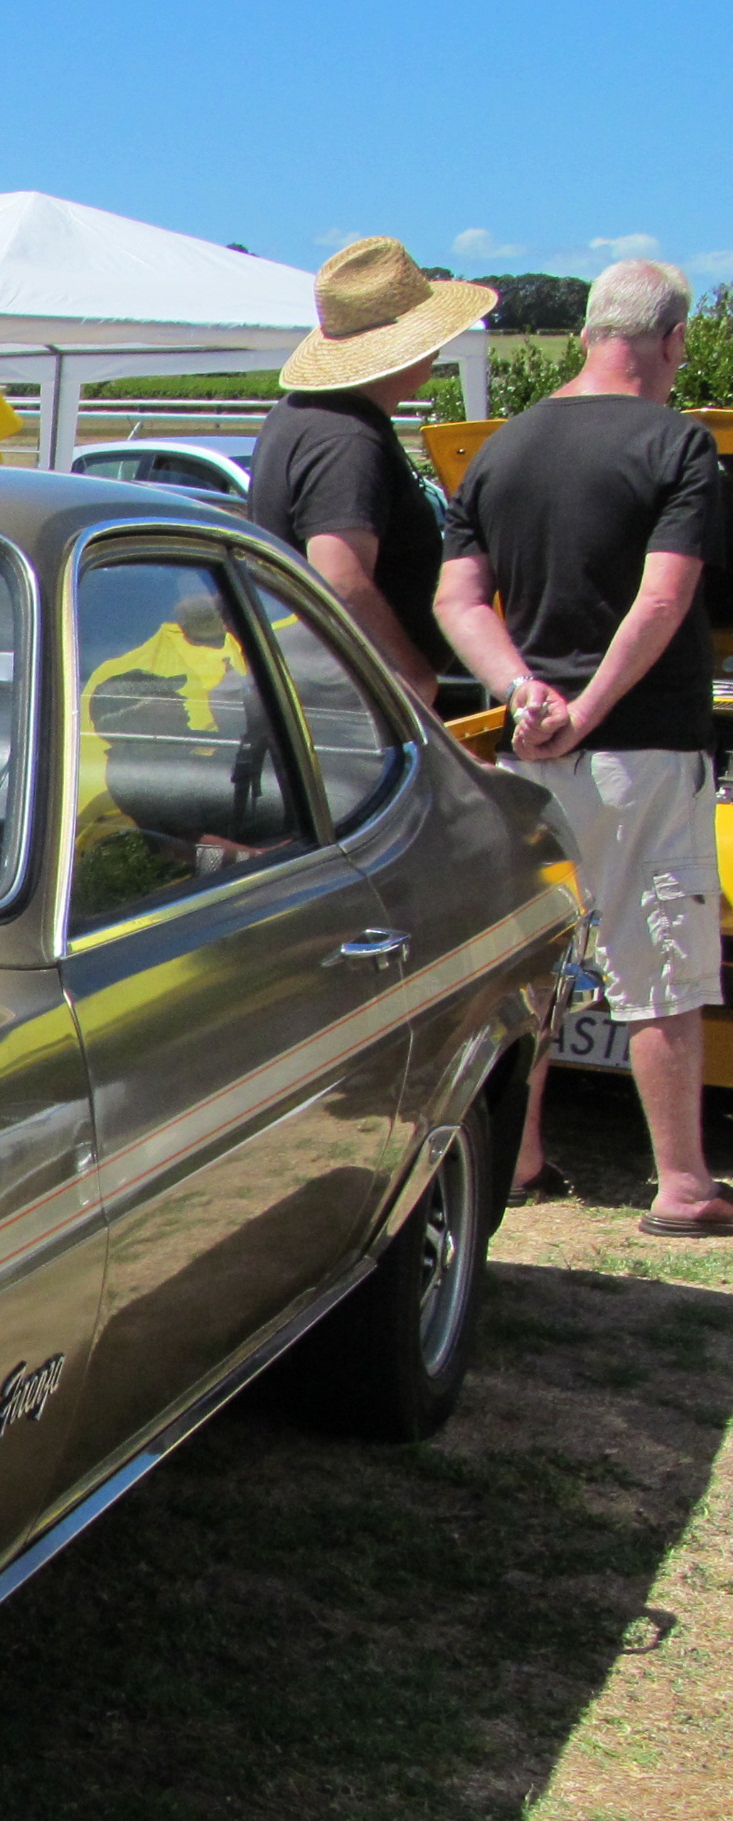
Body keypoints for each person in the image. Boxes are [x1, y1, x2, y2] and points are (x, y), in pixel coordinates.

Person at [435, 259, 731, 1234]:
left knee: (531, 969)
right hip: (641, 746)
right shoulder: (680, 444)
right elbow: (665, 597)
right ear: (673, 340)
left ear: (586, 334)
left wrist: (526, 692)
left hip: (527, 753)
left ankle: (517, 1157)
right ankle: (682, 1186)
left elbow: (458, 599)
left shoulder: (502, 449)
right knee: (660, 971)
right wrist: (592, 707)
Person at [250, 239, 496, 708]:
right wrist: (411, 679)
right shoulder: (347, 438)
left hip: (317, 693)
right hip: (350, 708)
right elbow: (338, 575)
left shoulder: (305, 414)